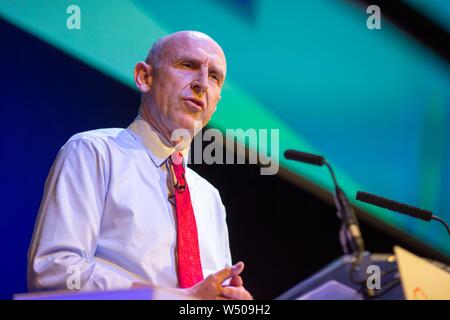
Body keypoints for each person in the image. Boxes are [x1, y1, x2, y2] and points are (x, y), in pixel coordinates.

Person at [27, 31, 252, 300]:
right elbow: (54, 271)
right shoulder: (94, 152)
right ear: (144, 77)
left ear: (215, 105)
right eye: (188, 65)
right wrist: (174, 299)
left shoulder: (210, 199)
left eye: (215, 77)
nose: (202, 83)